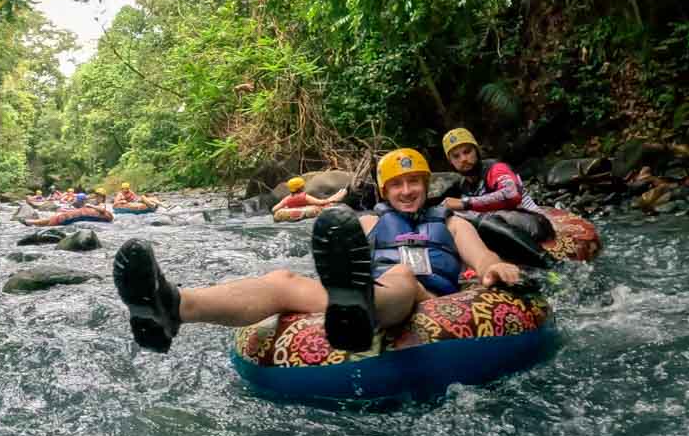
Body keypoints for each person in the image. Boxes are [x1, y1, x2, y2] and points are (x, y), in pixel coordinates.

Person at [112, 148, 520, 354]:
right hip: (361, 295)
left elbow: (482, 258)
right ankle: (171, 305)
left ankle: (362, 307)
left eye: (415, 182)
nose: (407, 190)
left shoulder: (453, 222)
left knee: (403, 276)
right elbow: (339, 265)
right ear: (384, 190)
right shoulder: (367, 222)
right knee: (282, 281)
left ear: (427, 185)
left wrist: (494, 267)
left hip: (427, 298)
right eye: (397, 184)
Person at [436, 127, 554, 266]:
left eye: (467, 152)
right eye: (456, 156)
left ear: (477, 151)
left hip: (533, 224)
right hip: (501, 231)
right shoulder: (462, 185)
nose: (463, 159)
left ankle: (550, 263)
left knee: (480, 219)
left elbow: (512, 195)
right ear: (451, 161)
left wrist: (466, 203)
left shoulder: (495, 168)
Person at [270, 176, 347, 219]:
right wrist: (331, 199)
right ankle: (342, 192)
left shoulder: (287, 198)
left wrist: (286, 209)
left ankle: (339, 193)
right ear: (301, 187)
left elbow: (274, 209)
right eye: (303, 185)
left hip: (297, 212)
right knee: (329, 203)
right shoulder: (304, 197)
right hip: (311, 210)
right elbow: (321, 202)